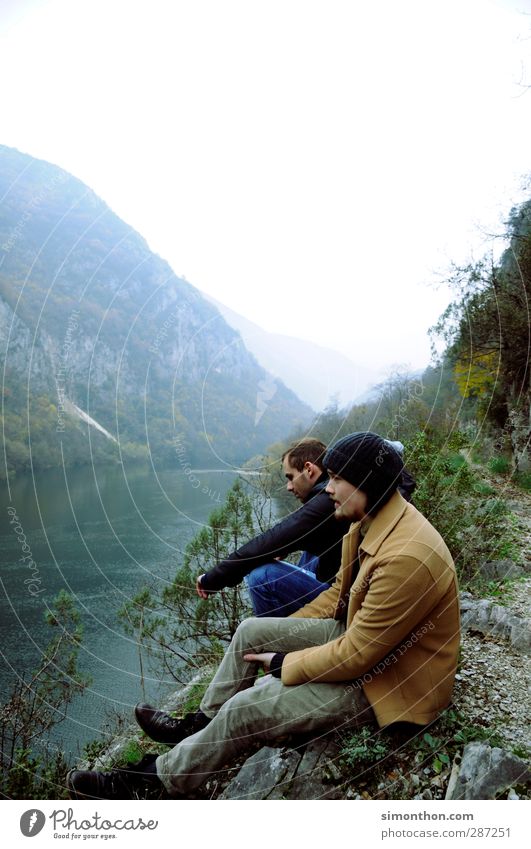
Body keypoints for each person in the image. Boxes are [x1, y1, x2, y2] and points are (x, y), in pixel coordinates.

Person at [67, 431, 459, 801]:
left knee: (248, 706)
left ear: (364, 482)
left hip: (388, 686)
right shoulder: (368, 519)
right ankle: (202, 727)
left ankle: (154, 782)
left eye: (337, 479)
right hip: (363, 644)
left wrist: (286, 662)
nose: (330, 489)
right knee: (252, 632)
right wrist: (285, 634)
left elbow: (359, 656)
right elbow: (339, 597)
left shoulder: (406, 556)